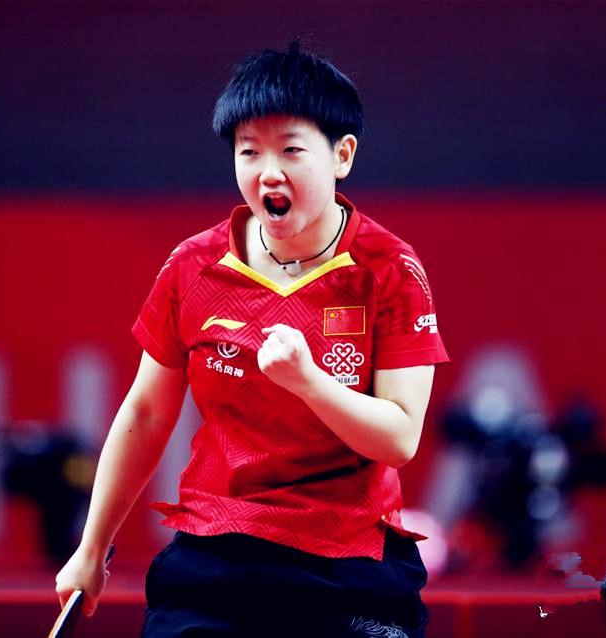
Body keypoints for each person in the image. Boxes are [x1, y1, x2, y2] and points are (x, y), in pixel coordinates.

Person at [55, 41, 449, 637]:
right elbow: (146, 413)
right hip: (218, 553)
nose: (268, 171)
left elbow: (399, 438)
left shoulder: (389, 270)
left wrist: (308, 382)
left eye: (291, 149)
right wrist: (91, 549)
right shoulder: (193, 266)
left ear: (342, 155)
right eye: (249, 151)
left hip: (347, 561)